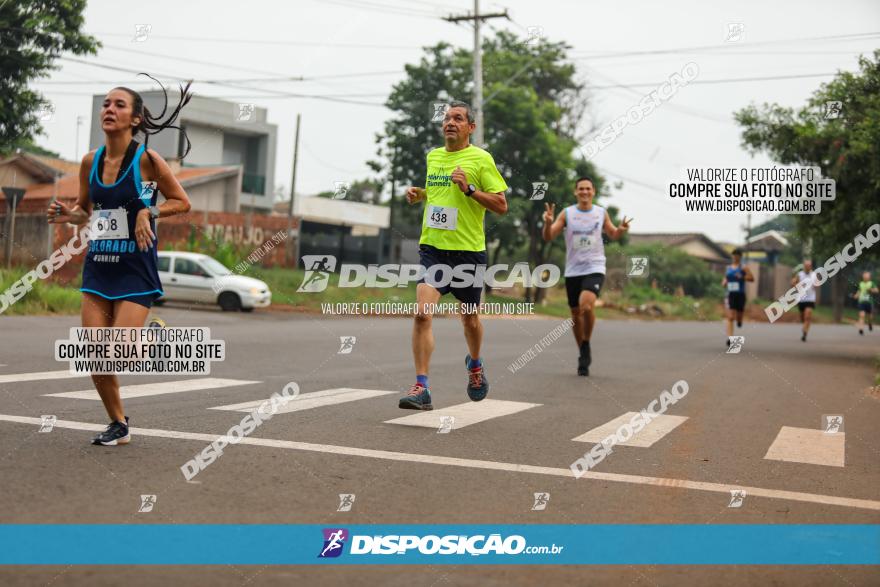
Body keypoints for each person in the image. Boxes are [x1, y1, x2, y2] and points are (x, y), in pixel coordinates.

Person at [47, 75, 192, 445]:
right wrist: (68, 214)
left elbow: (181, 202)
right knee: (95, 356)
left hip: (134, 271)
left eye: (119, 105)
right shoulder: (88, 161)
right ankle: (119, 423)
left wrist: (148, 213)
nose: (109, 109)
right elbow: (86, 211)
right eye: (106, 104)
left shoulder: (147, 161)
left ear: (136, 119)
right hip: (98, 268)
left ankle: (152, 336)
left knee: (120, 353)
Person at [399, 101, 508, 410]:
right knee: (422, 314)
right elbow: (439, 195)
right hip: (433, 250)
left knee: (470, 319)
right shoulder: (433, 157)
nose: (450, 122)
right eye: (447, 118)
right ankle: (422, 388)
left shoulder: (481, 159)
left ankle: (475, 365)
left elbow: (501, 205)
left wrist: (471, 190)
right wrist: (420, 194)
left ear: (470, 127)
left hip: (468, 254)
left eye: (458, 118)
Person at [542, 177, 631, 376]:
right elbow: (549, 236)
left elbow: (613, 233)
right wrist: (548, 223)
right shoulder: (567, 213)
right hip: (573, 270)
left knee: (586, 306)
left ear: (593, 192)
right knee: (575, 314)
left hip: (595, 267)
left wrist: (621, 230)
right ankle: (583, 349)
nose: (584, 192)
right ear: (576, 192)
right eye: (580, 189)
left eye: (587, 189)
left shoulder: (600, 213)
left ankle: (586, 341)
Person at [721, 248, 754, 347]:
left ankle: (740, 321)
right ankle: (730, 338)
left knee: (739, 315)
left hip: (740, 294)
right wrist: (724, 282)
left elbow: (752, 278)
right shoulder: (729, 268)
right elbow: (726, 278)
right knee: (731, 317)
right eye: (734, 255)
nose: (735, 257)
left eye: (737, 255)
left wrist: (742, 277)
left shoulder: (744, 268)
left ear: (740, 256)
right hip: (731, 294)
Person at [793, 260, 817, 342]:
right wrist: (796, 285)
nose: (807, 267)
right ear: (804, 266)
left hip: (810, 299)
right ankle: (805, 325)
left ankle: (805, 332)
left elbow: (817, 283)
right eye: (806, 265)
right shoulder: (800, 274)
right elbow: (794, 283)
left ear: (810, 266)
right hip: (801, 299)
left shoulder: (814, 274)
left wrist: (816, 284)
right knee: (802, 317)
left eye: (809, 265)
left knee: (808, 316)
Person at [854, 271, 877, 335]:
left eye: (867, 276)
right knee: (862, 315)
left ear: (869, 277)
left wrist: (872, 290)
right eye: (864, 276)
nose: (865, 277)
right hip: (861, 302)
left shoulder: (871, 283)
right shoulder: (861, 283)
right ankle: (861, 329)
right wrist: (856, 295)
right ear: (863, 276)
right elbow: (859, 291)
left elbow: (876, 290)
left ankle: (870, 323)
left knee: (870, 317)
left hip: (869, 302)